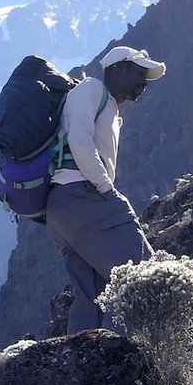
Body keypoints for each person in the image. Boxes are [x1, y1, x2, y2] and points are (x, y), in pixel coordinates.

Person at [46, 45, 166, 333]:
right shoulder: (91, 89)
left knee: (92, 298)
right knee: (141, 277)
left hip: (62, 210)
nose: (144, 82)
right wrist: (105, 188)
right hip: (84, 196)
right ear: (118, 67)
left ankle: (83, 370)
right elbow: (79, 138)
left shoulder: (107, 105)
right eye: (140, 72)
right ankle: (130, 365)